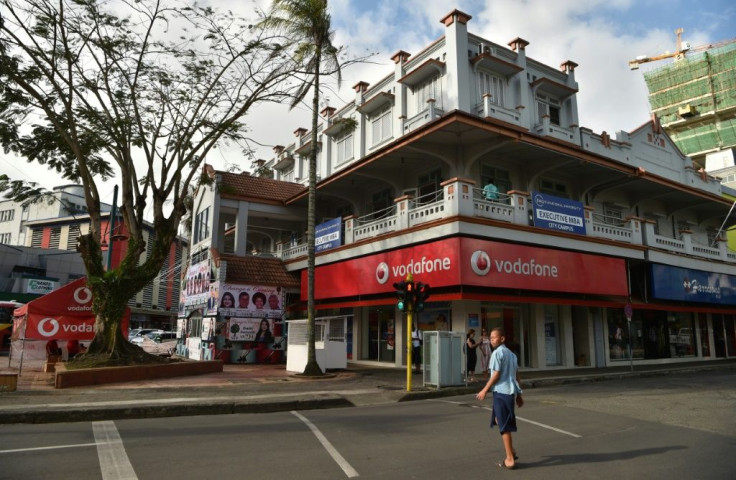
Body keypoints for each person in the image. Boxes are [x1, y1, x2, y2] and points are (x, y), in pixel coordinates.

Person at [476, 327, 524, 470]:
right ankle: (512, 451)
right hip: (508, 393)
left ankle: (510, 458)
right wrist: (519, 394)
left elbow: (495, 375)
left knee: (504, 426)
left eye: (494, 337)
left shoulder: (497, 353)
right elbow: (517, 376)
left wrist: (484, 389)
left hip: (502, 393)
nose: (491, 340)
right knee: (499, 420)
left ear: (502, 339)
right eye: (490, 338)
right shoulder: (511, 354)